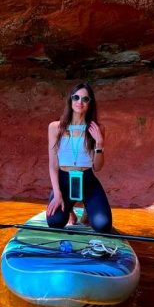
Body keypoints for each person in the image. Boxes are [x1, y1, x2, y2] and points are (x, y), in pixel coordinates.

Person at [46, 82, 113, 232]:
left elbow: (97, 167)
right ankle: (70, 212)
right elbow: (53, 165)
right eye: (76, 97)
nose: (80, 102)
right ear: (70, 100)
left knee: (103, 226)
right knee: (54, 222)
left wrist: (100, 143)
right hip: (64, 181)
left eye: (85, 99)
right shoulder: (55, 127)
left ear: (90, 103)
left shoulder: (97, 128)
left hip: (88, 180)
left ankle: (88, 209)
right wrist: (57, 194)